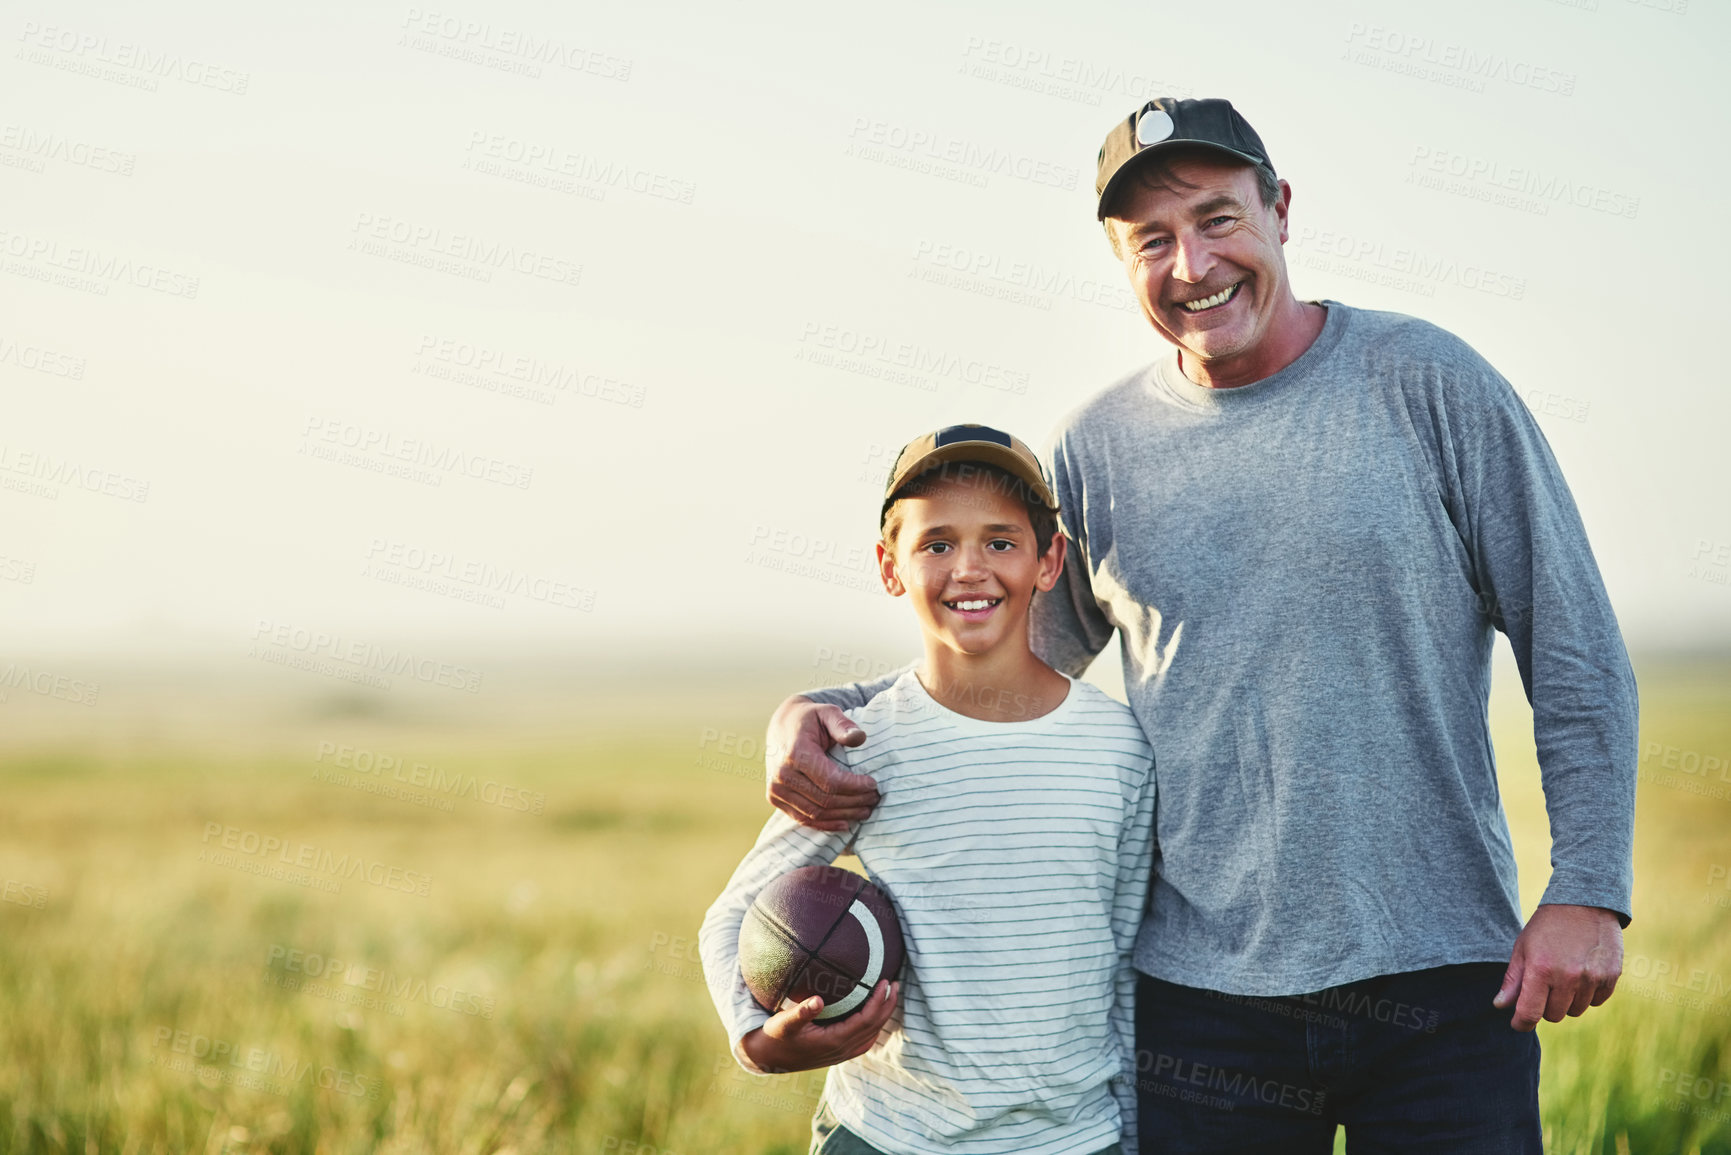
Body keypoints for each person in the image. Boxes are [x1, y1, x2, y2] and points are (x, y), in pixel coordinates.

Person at [763, 99, 1638, 1153]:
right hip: (1201, 1010)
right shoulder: (1095, 449)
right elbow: (1008, 662)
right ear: (1119, 261)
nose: (1192, 264)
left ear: (1280, 210)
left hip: (1442, 982)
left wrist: (1590, 888)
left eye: (1218, 220)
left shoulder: (1432, 385)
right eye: (1153, 242)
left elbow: (1575, 647)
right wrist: (821, 712)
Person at [700, 425, 1155, 1155]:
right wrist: (758, 1041)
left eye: (1000, 542)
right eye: (936, 544)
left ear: (1049, 560)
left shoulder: (1119, 749)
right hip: (889, 1133)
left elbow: (1126, 962)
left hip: (1072, 1140)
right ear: (890, 566)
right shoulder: (861, 744)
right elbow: (731, 911)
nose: (968, 569)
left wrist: (1130, 1137)